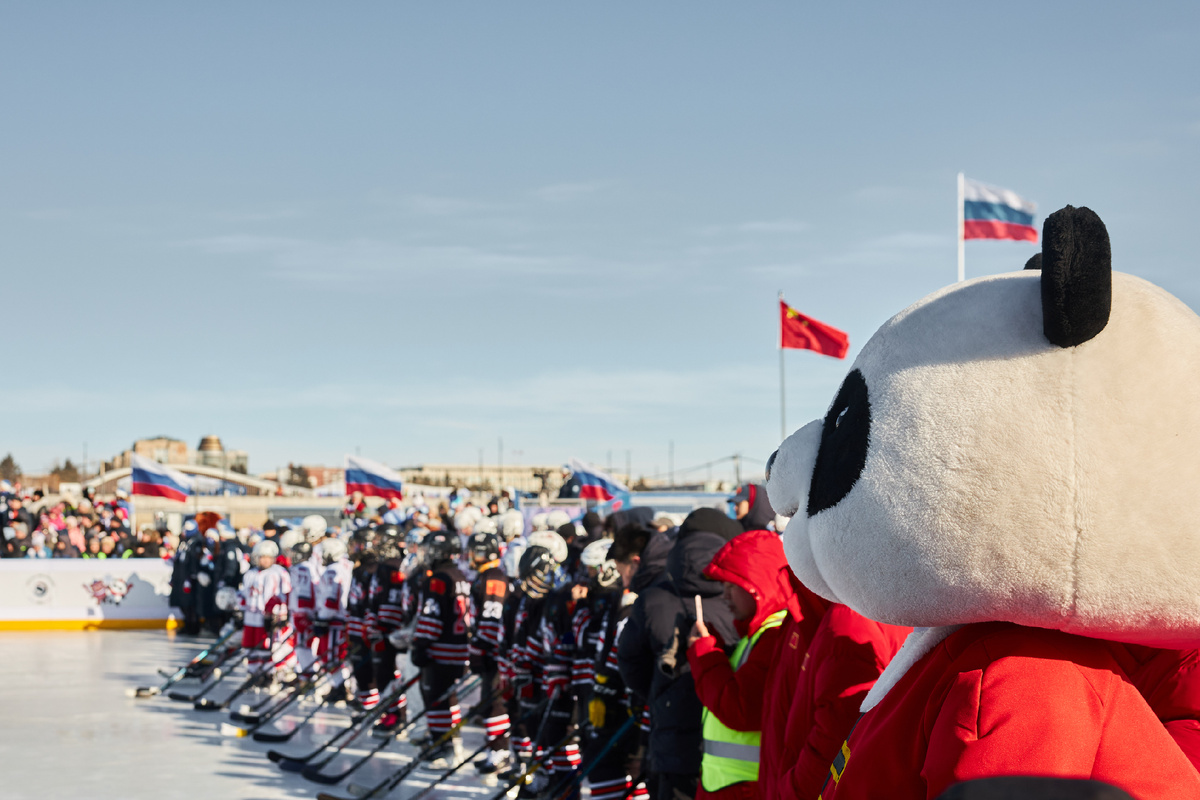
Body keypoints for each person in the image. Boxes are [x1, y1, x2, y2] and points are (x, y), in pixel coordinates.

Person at [617, 508, 742, 800]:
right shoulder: (743, 595)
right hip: (738, 749)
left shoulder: (653, 596)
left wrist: (660, 690)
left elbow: (629, 661)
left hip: (672, 741)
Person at [685, 530, 795, 800]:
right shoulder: (762, 634)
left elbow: (741, 709)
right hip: (730, 783)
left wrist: (706, 655)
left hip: (745, 786)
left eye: (732, 586)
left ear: (758, 586)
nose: (724, 597)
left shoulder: (774, 635)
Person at [411, 530, 473, 766]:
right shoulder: (460, 575)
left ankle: (441, 743)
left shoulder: (437, 579)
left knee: (435, 697)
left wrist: (421, 644)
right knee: (448, 698)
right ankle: (449, 739)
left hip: (440, 649)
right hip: (459, 648)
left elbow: (431, 616)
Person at [467, 527, 513, 775]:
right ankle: (494, 750)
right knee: (488, 701)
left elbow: (493, 615)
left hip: (495, 651)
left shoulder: (494, 576)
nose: (470, 556)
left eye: (474, 551)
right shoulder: (486, 575)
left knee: (494, 702)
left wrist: (481, 646)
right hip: (490, 648)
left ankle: (500, 752)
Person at [237, 539, 293, 680]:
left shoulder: (279, 573)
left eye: (269, 557)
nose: (266, 561)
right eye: (263, 557)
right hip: (251, 618)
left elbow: (285, 595)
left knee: (268, 647)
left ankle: (269, 673)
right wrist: (238, 611)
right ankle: (254, 673)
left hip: (267, 618)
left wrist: (281, 616)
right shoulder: (250, 574)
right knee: (250, 647)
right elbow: (244, 595)